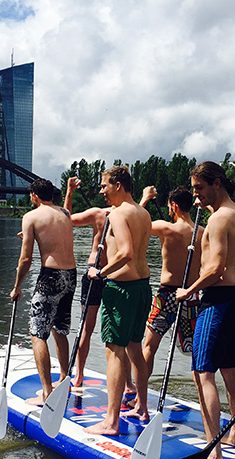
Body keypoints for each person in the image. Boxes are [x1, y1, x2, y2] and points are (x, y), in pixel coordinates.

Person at [176, 161, 235, 459]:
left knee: (201, 372)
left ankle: (214, 453)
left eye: (199, 188)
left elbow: (216, 269)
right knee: (230, 368)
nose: (195, 196)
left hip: (218, 300)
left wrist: (188, 290)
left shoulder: (220, 219)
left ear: (216, 183)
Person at [121, 185, 203, 422]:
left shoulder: (166, 228)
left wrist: (144, 199)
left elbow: (133, 222)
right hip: (192, 295)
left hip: (167, 295)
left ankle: (140, 401)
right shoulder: (202, 231)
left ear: (174, 206)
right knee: (196, 354)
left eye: (169, 206)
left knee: (148, 347)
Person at [83, 166, 152, 435]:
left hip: (121, 290)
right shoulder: (143, 213)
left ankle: (111, 421)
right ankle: (142, 407)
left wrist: (100, 272)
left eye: (104, 186)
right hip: (142, 288)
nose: (102, 190)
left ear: (119, 185)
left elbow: (125, 253)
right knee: (135, 348)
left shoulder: (120, 214)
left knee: (114, 352)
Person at [9, 178, 77, 405]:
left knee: (38, 333)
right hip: (71, 275)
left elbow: (26, 258)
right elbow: (55, 237)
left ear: (34, 196)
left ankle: (47, 392)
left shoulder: (30, 216)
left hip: (50, 277)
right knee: (60, 329)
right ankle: (64, 378)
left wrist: (17, 286)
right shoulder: (65, 214)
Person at [62, 176, 111, 390]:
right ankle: (79, 373)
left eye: (103, 187)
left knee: (87, 328)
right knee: (97, 329)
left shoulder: (99, 213)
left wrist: (69, 191)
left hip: (97, 272)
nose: (101, 192)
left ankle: (79, 375)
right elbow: (67, 219)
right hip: (109, 273)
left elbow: (66, 219)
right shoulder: (123, 213)